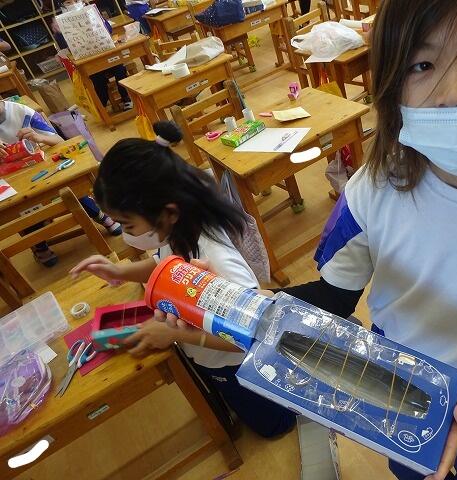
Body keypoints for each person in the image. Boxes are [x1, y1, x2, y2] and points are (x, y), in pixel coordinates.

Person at [175, 1, 457, 478]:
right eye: (422, 65)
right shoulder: (372, 191)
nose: (455, 94)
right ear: (391, 86)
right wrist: (230, 301)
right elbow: (332, 296)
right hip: (390, 395)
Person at [69, 121, 296, 438]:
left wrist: (176, 334)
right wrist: (121, 272)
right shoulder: (176, 231)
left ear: (169, 212)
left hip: (234, 361)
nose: (125, 236)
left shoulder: (215, 256)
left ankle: (279, 414)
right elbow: (163, 266)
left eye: (128, 226)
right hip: (207, 353)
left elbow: (254, 333)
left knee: (273, 425)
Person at [0, 99, 120, 267]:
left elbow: (59, 141)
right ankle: (38, 243)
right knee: (22, 206)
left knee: (68, 187)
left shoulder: (22, 112)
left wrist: (39, 137)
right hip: (11, 180)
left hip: (40, 167)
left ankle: (98, 214)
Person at [52, 0, 133, 111]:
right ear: (62, 5)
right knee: (98, 80)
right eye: (69, 2)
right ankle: (102, 105)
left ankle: (126, 97)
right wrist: (60, 32)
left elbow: (109, 30)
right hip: (87, 62)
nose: (74, 4)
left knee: (120, 69)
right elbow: (63, 46)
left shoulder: (90, 11)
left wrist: (98, 19)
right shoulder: (60, 22)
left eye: (76, 0)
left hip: (105, 55)